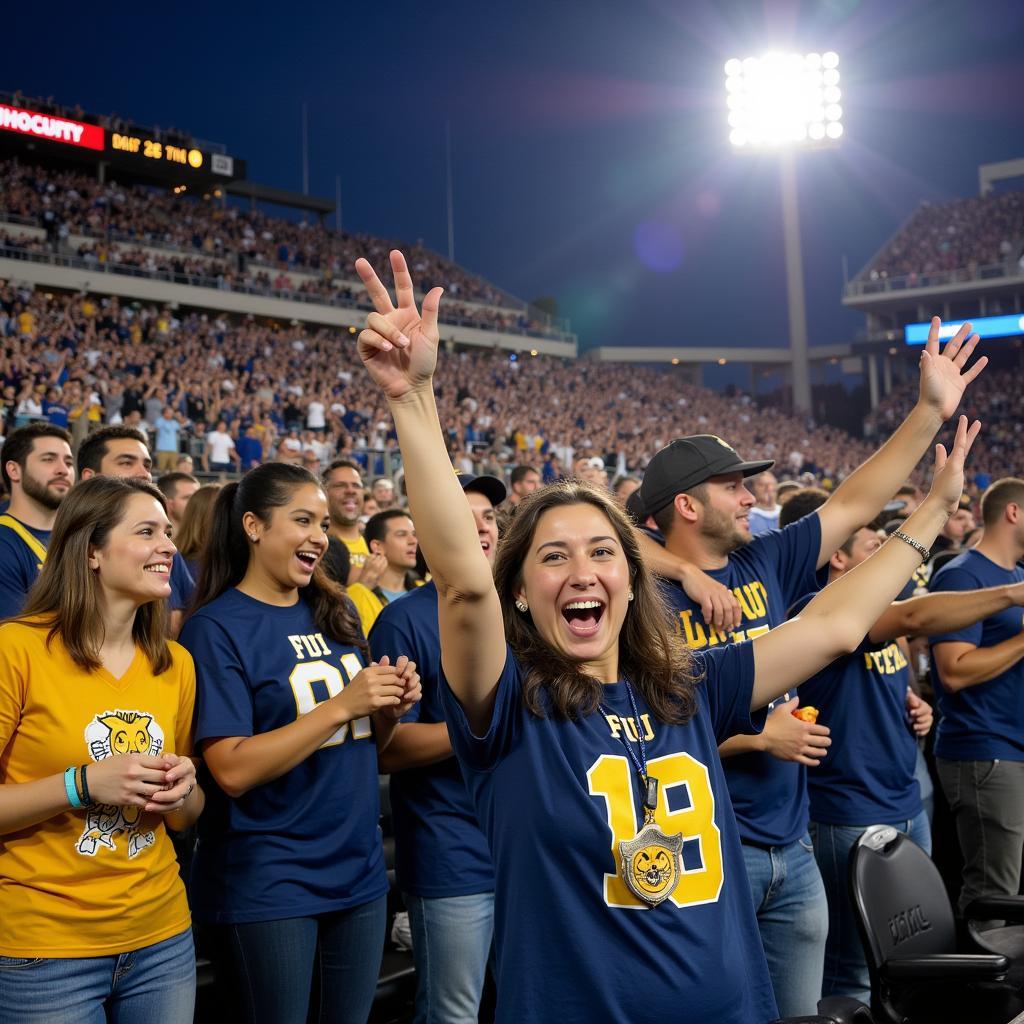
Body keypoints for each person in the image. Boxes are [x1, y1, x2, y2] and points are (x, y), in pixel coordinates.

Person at [351, 249, 976, 1023]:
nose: (582, 571)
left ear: (632, 577)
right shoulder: (508, 706)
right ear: (519, 589)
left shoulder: (689, 682)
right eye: (553, 555)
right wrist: (414, 399)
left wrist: (930, 500)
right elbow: (459, 579)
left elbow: (836, 623)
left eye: (602, 551)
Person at [633, 317, 985, 1016]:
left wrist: (926, 414)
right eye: (734, 487)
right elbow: (643, 735)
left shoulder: (763, 561)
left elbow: (851, 502)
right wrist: (759, 739)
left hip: (791, 846)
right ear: (685, 504)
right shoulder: (638, 601)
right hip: (706, 849)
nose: (751, 497)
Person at [178, 463, 421, 1024]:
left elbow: (371, 745)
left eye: (325, 524)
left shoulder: (334, 611)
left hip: (355, 871)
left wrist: (389, 708)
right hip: (269, 878)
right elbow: (232, 770)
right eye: (303, 520)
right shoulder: (214, 629)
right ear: (254, 527)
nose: (320, 536)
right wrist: (342, 704)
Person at [781, 491, 1024, 1001]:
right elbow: (914, 620)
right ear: (839, 558)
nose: (889, 554)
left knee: (906, 965)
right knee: (854, 971)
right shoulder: (822, 610)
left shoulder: (878, 617)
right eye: (876, 544)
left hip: (903, 800)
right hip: (848, 810)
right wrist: (1011, 595)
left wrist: (916, 705)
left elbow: (888, 674)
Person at [0, 476, 202, 1022]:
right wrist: (81, 784)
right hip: (44, 949)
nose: (168, 545)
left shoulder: (174, 664)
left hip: (162, 937)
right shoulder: (15, 649)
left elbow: (186, 816)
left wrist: (182, 790)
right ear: (91, 551)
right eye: (146, 532)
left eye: (168, 531)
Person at [371, 471, 505, 1024]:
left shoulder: (529, 611)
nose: (480, 528)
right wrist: (482, 724)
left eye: (490, 518)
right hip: (452, 850)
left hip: (528, 847)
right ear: (426, 537)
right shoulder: (402, 620)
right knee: (452, 1014)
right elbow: (387, 748)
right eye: (461, 517)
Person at [929, 477, 1024, 914]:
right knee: (993, 893)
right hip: (984, 750)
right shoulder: (963, 575)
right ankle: (980, 982)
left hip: (1009, 747)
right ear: (1013, 513)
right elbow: (953, 672)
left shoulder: (1016, 576)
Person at [80, 427, 194, 638]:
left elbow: (189, 610)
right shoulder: (22, 647)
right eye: (126, 463)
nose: (144, 474)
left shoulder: (163, 552)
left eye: (147, 465)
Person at [0, 423, 74, 619]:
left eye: (68, 462)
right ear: (14, 470)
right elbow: (15, 642)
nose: (63, 470)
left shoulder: (81, 535)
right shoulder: (5, 542)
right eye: (48, 459)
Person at [364, 509, 421, 605]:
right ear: (377, 546)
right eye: (401, 534)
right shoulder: (361, 598)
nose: (413, 541)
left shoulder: (425, 591)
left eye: (414, 534)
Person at [747, 471, 780, 536]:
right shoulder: (747, 517)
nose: (768, 489)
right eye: (762, 485)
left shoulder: (785, 511)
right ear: (754, 488)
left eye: (771, 484)